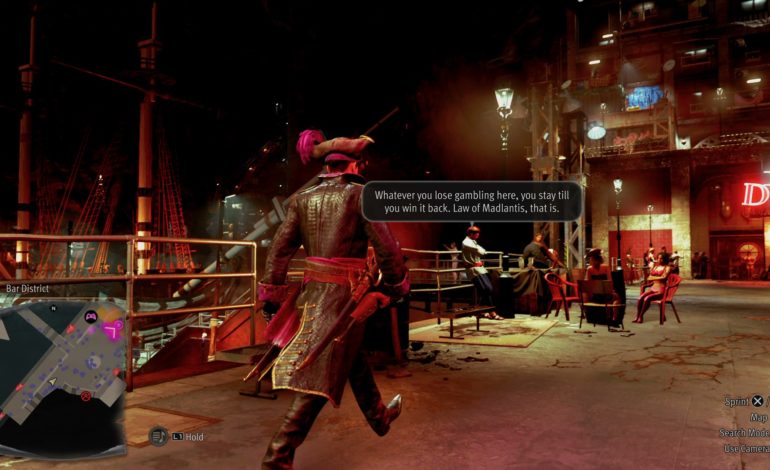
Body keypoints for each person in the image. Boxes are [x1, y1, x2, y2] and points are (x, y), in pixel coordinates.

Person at [258, 129, 410, 469]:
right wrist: (396, 286)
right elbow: (387, 249)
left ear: (328, 166)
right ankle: (275, 460)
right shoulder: (362, 195)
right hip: (345, 299)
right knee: (317, 381)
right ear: (355, 165)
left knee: (349, 355)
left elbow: (278, 252)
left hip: (310, 295)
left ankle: (380, 417)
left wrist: (271, 295)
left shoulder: (302, 199)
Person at [462, 226, 505, 319]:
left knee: (486, 289)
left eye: (478, 233)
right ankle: (491, 312)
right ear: (471, 234)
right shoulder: (466, 242)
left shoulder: (472, 242)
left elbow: (483, 251)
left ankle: (481, 310)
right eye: (476, 233)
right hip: (474, 270)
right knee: (487, 289)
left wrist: (480, 250)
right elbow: (481, 252)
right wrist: (480, 250)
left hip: (480, 269)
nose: (478, 235)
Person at [633, 251, 671, 323]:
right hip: (653, 288)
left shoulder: (667, 267)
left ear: (665, 259)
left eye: (661, 258)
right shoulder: (656, 267)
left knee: (647, 298)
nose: (659, 260)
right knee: (640, 298)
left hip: (661, 289)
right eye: (658, 258)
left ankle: (641, 316)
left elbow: (664, 277)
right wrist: (658, 277)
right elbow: (649, 277)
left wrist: (653, 277)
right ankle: (637, 316)